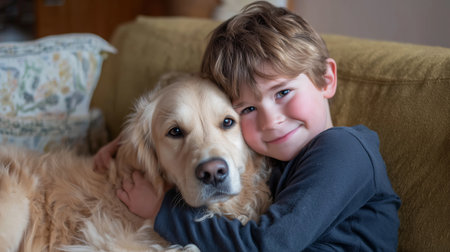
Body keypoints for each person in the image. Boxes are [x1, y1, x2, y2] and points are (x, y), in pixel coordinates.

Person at [94, 1, 401, 251]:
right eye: (248, 109)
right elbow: (196, 108)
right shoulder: (278, 155)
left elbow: (268, 245)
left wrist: (162, 211)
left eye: (283, 92)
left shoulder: (344, 151)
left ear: (326, 79)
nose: (271, 121)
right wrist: (131, 141)